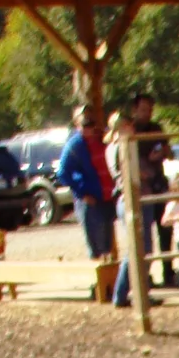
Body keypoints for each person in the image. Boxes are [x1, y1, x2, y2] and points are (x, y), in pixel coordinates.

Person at [112, 91, 169, 307]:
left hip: (145, 196)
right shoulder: (119, 147)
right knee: (138, 248)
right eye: (126, 125)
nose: (131, 127)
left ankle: (139, 292)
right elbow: (136, 172)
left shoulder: (135, 142)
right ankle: (122, 293)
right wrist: (149, 165)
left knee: (144, 248)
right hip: (132, 198)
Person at [57, 103, 118, 260]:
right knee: (95, 247)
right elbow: (63, 173)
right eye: (84, 124)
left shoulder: (103, 139)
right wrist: (82, 194)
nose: (89, 128)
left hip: (107, 198)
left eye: (91, 123)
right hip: (90, 201)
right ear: (77, 124)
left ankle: (108, 274)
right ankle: (97, 273)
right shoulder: (75, 145)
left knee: (107, 245)